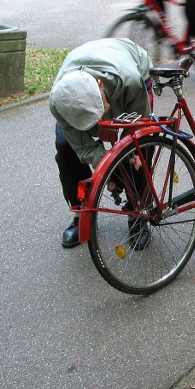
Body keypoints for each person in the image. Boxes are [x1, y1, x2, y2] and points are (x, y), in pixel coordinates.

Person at [49, 38, 153, 249]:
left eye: (100, 113)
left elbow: (140, 127)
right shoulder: (58, 101)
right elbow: (84, 147)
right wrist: (107, 172)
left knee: (141, 149)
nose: (98, 124)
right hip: (85, 75)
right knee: (64, 146)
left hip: (129, 66)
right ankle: (81, 210)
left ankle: (138, 211)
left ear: (100, 85)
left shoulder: (130, 80)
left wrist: (128, 159)